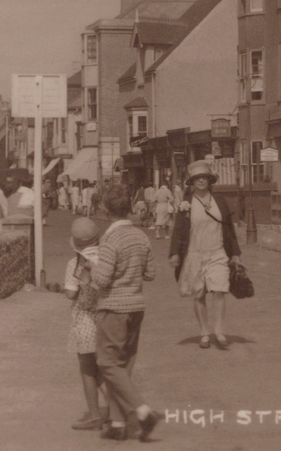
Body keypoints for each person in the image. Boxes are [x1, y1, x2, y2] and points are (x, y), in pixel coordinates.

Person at [89, 187, 161, 441]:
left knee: (107, 363)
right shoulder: (140, 236)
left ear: (106, 209)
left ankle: (142, 410)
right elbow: (150, 273)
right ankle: (118, 425)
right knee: (123, 366)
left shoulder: (110, 240)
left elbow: (102, 278)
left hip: (114, 307)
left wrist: (91, 266)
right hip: (136, 306)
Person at [169, 161, 240, 351]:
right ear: (192, 182)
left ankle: (218, 331)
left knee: (220, 289)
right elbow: (178, 230)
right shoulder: (187, 203)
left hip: (218, 252)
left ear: (210, 180)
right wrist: (175, 252)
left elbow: (229, 228)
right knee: (199, 294)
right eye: (197, 178)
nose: (201, 181)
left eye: (204, 178)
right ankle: (204, 333)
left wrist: (235, 253)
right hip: (195, 254)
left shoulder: (220, 201)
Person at [64, 217, 106, 431]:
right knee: (105, 366)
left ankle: (94, 414)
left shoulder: (76, 263)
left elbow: (71, 293)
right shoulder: (107, 260)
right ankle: (120, 407)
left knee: (87, 368)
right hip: (105, 316)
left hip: (85, 318)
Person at [151, 173, 176, 240]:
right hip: (165, 206)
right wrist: (168, 200)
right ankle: (166, 235)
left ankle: (157, 231)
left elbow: (153, 200)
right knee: (167, 220)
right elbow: (172, 199)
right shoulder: (167, 191)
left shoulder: (158, 191)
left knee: (159, 219)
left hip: (159, 206)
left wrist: (157, 202)